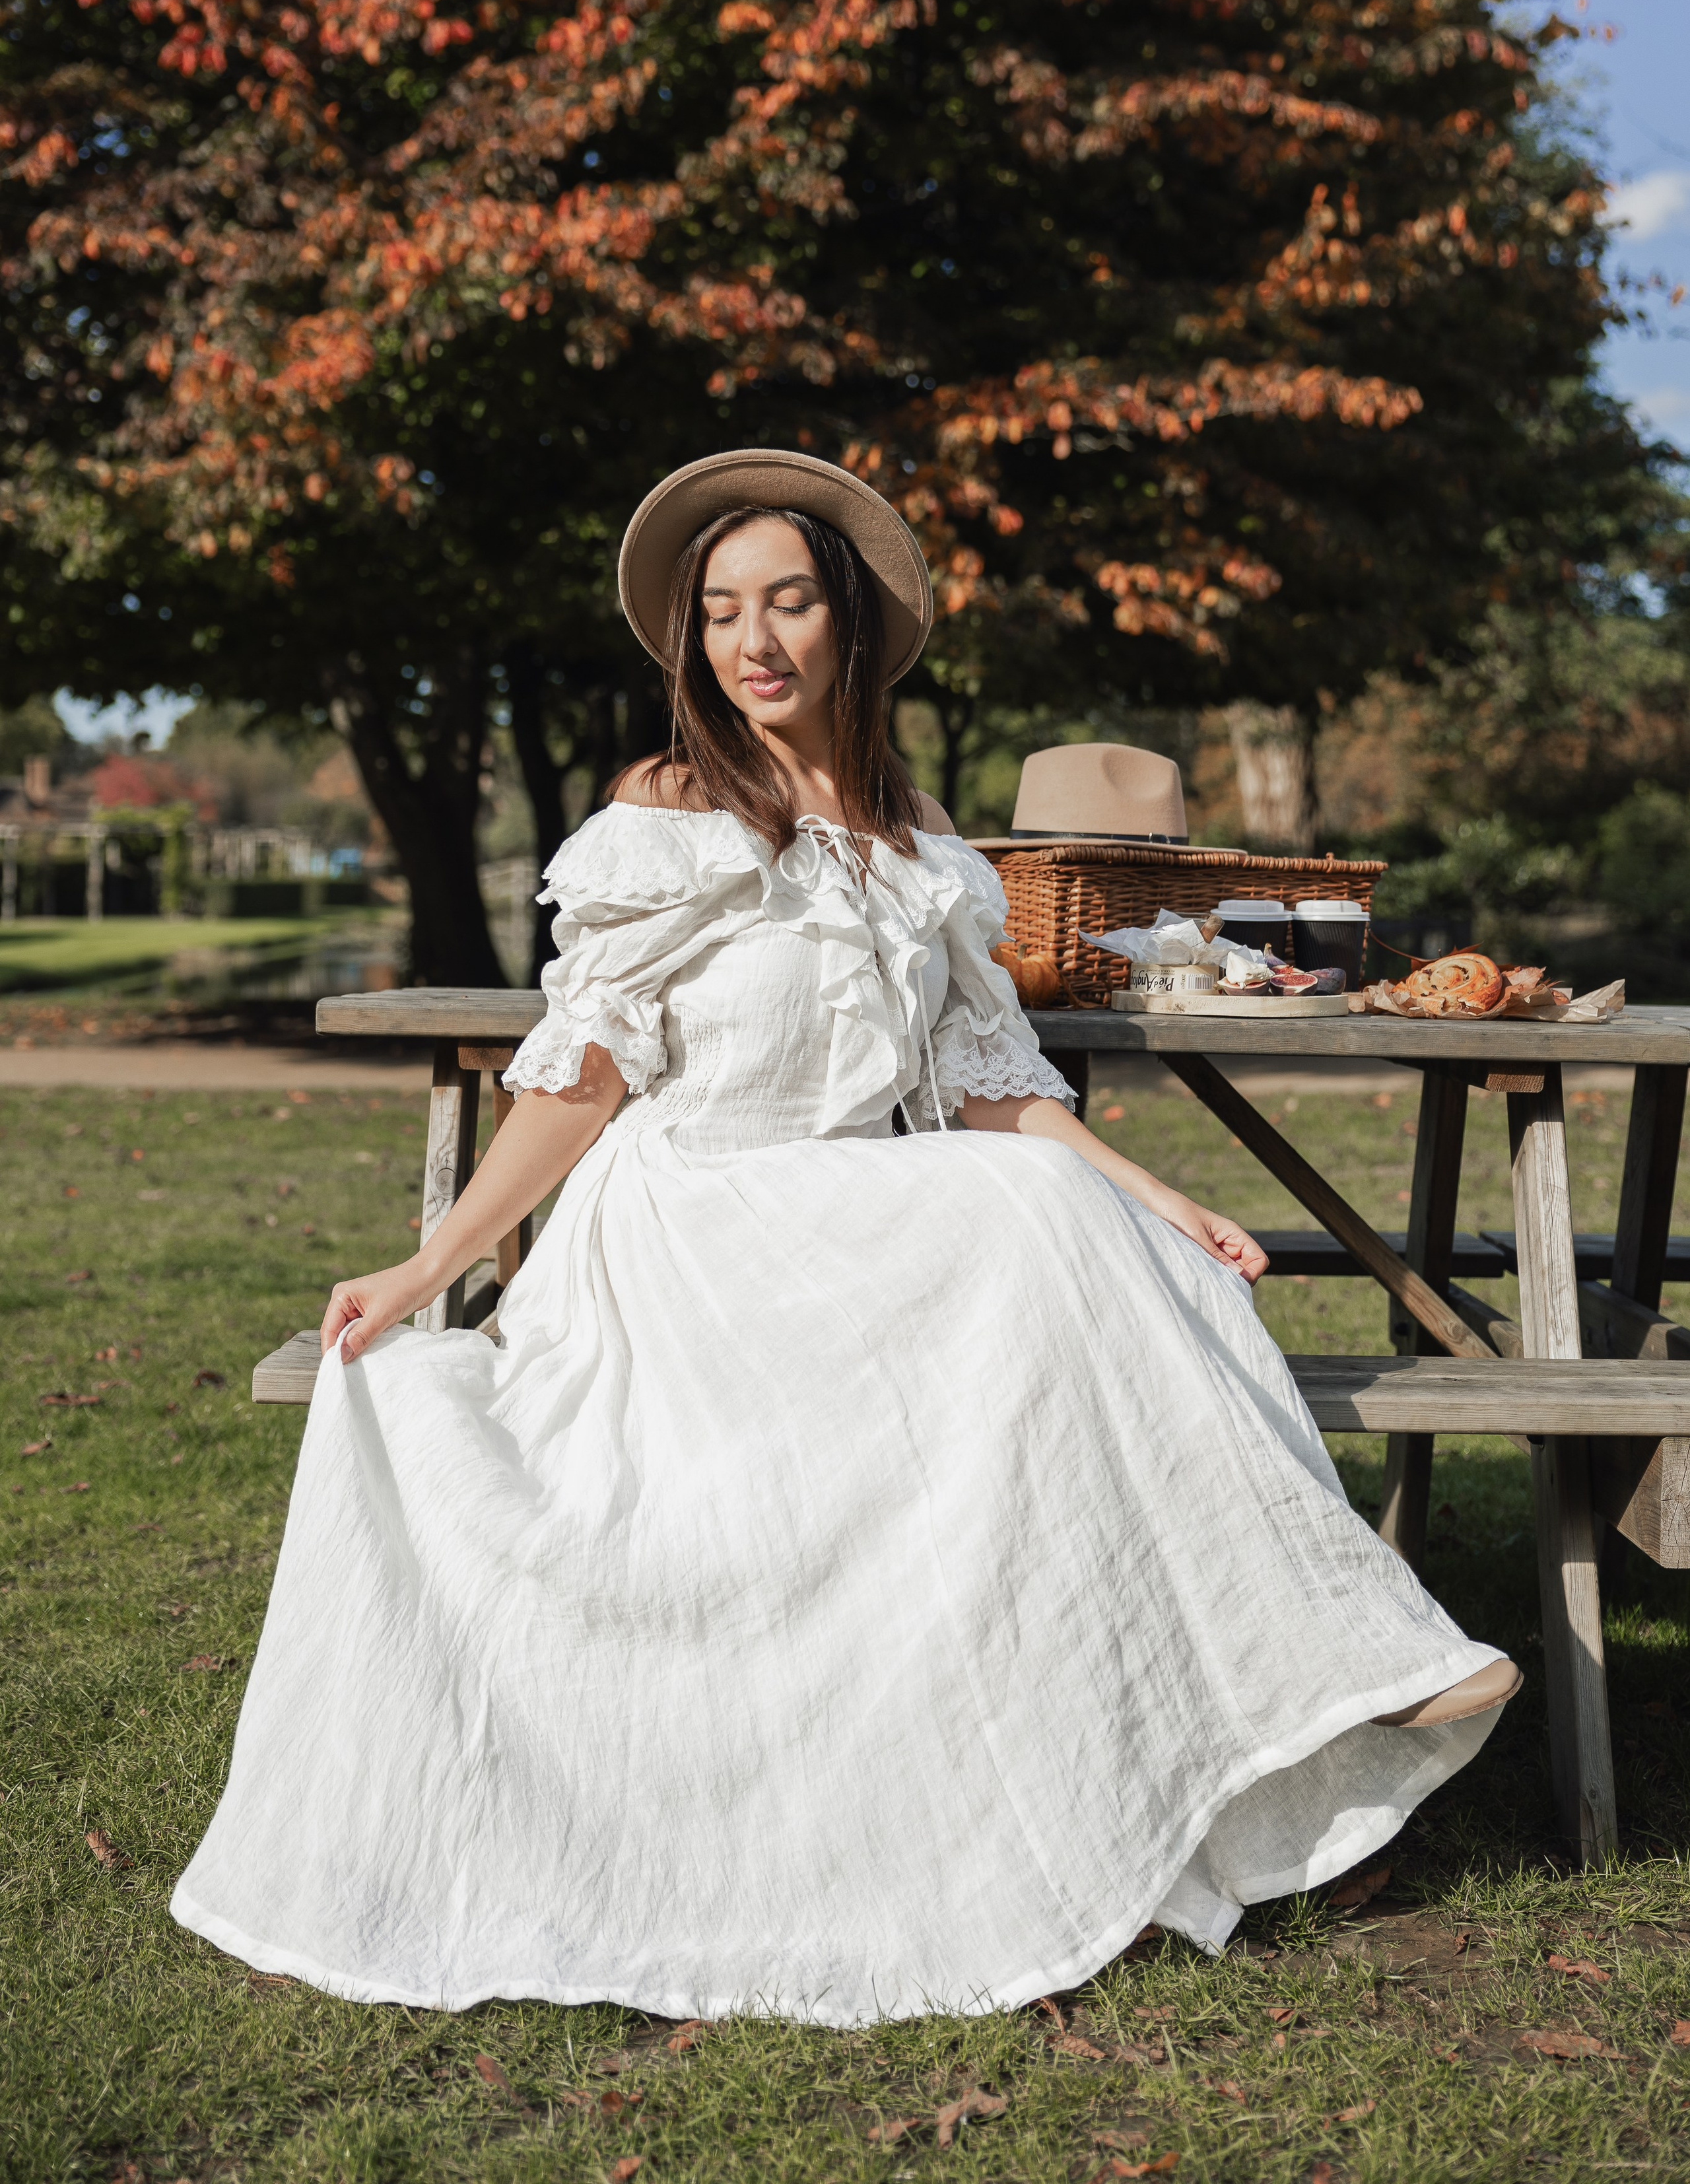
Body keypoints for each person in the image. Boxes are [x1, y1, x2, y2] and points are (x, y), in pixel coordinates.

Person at [172, 448, 1518, 2022]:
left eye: (787, 602)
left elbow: (988, 1088)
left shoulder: (922, 839)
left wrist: (1163, 1199)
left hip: (852, 1211)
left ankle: (1277, 1706)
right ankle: (1321, 1661)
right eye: (722, 612)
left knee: (1127, 1263)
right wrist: (431, 1263)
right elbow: (580, 1075)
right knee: (1024, 1232)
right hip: (688, 1219)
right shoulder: (661, 814)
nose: (754, 641)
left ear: (849, 627)